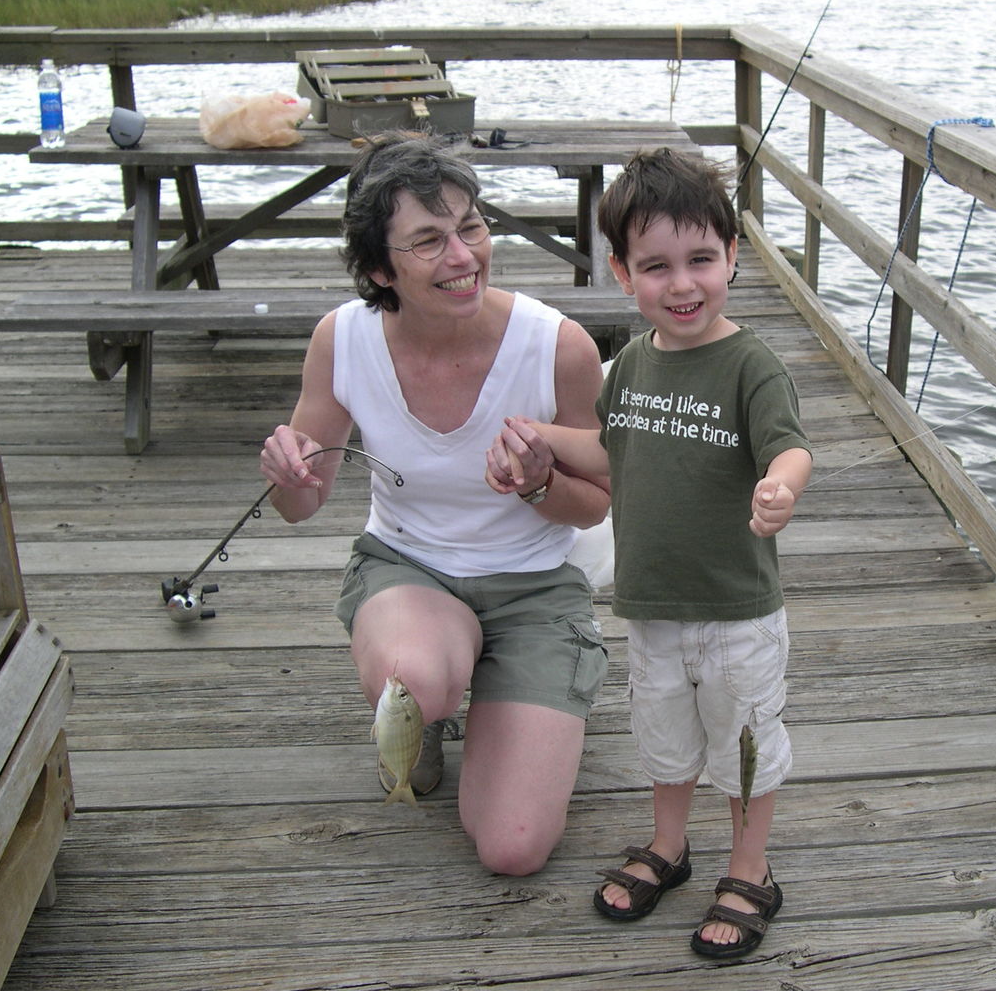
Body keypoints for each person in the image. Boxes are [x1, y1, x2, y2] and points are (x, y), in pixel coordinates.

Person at [486, 147, 812, 956]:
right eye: (656, 266)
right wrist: (540, 440)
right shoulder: (630, 364)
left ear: (733, 256)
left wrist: (780, 485)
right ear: (622, 272)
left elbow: (790, 448)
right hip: (651, 609)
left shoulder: (751, 366)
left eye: (702, 259)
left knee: (742, 746)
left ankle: (750, 866)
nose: (683, 284)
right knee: (665, 740)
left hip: (736, 610)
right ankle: (669, 846)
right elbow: (608, 449)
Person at [260, 132, 611, 877]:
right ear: (380, 269)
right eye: (429, 241)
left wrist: (541, 483)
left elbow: (594, 507)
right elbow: (303, 502)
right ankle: (425, 720)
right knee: (418, 681)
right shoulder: (341, 340)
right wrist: (288, 476)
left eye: (471, 227)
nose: (464, 258)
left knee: (511, 848)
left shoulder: (560, 347)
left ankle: (511, 699)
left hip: (534, 586)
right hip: (408, 569)